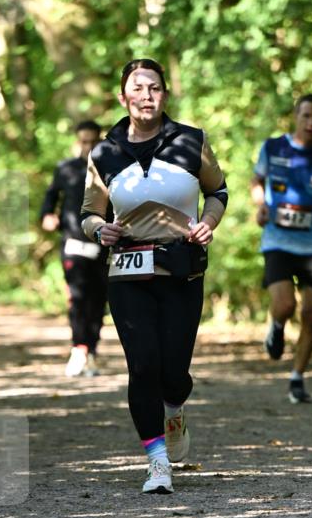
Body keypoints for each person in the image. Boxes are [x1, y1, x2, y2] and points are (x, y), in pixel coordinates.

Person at [81, 58, 228, 494]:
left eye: (155, 88)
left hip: (181, 268)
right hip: (127, 273)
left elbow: (217, 191)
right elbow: (90, 213)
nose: (147, 95)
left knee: (174, 372)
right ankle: (157, 462)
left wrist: (209, 222)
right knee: (142, 365)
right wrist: (100, 229)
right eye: (138, 88)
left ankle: (175, 406)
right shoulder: (104, 152)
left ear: (165, 94)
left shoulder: (190, 141)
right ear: (123, 96)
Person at [251, 94, 312, 403]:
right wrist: (261, 205)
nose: (311, 123)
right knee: (285, 305)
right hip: (278, 240)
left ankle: (297, 378)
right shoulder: (273, 147)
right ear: (296, 115)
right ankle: (277, 326)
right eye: (306, 116)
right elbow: (257, 180)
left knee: (311, 313)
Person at [40, 120, 109, 377]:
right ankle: (78, 348)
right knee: (78, 297)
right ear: (76, 142)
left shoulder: (111, 169)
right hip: (73, 243)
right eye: (84, 141)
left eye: (93, 141)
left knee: (98, 300)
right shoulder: (65, 169)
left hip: (103, 246)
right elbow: (50, 198)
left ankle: (91, 350)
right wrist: (47, 215)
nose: (88, 146)